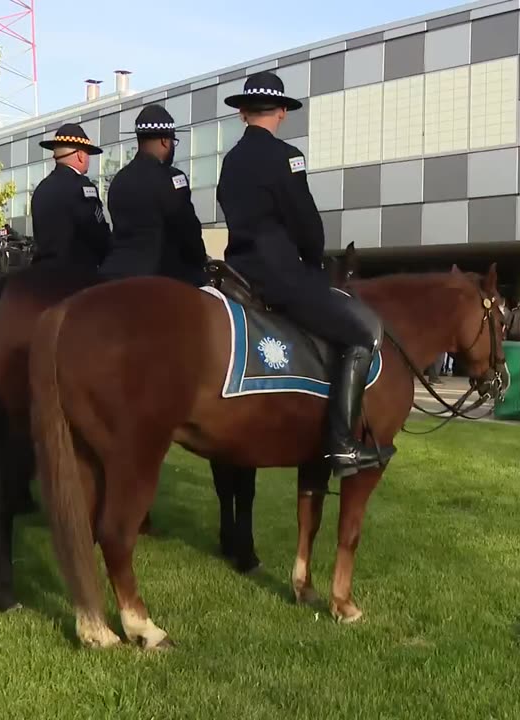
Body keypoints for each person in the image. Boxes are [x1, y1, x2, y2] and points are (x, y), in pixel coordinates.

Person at [216, 71, 388, 476]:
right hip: (279, 275)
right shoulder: (286, 155)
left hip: (238, 270)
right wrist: (313, 262)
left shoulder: (231, 159)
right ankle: (343, 444)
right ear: (282, 112)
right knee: (360, 335)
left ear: (242, 113)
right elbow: (305, 221)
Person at [99, 105, 208, 286]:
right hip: (160, 278)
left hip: (113, 276)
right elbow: (188, 231)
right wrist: (200, 260)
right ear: (165, 141)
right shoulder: (173, 178)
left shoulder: (118, 180)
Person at [30, 123, 111, 270]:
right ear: (80, 155)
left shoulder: (41, 189)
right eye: (87, 154)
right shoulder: (83, 187)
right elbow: (96, 233)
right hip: (76, 276)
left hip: (43, 275)